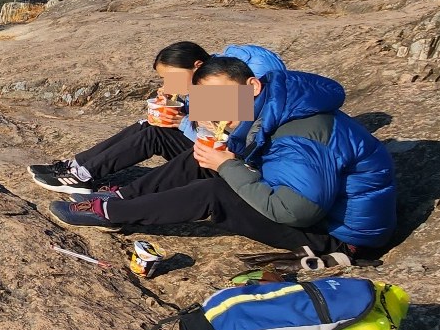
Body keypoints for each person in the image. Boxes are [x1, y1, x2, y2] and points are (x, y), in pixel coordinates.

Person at [48, 58, 397, 256]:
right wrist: (180, 110)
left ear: (253, 86)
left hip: (340, 237)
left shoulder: (303, 133)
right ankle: (124, 197)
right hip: (303, 199)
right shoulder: (275, 101)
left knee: (215, 191)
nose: (214, 108)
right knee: (203, 156)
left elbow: (297, 211)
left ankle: (112, 213)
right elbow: (210, 115)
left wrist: (227, 165)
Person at [29, 41, 285, 195]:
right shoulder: (214, 73)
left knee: (156, 132)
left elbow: (225, 138)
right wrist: (175, 102)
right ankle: (76, 167)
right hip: (218, 153)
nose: (168, 83)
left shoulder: (230, 85)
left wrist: (181, 119)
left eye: (171, 76)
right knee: (147, 124)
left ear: (197, 66)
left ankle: (82, 176)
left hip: (234, 164)